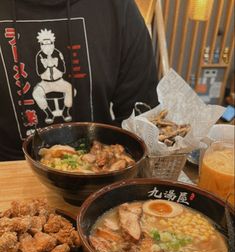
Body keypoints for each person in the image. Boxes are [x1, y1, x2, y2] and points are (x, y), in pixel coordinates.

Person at [0, 0, 158, 161]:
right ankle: (50, 113)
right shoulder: (40, 56)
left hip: (98, 166)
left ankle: (63, 110)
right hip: (9, 170)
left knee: (68, 90)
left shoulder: (116, 7)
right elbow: (39, 69)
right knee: (38, 93)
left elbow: (141, 116)